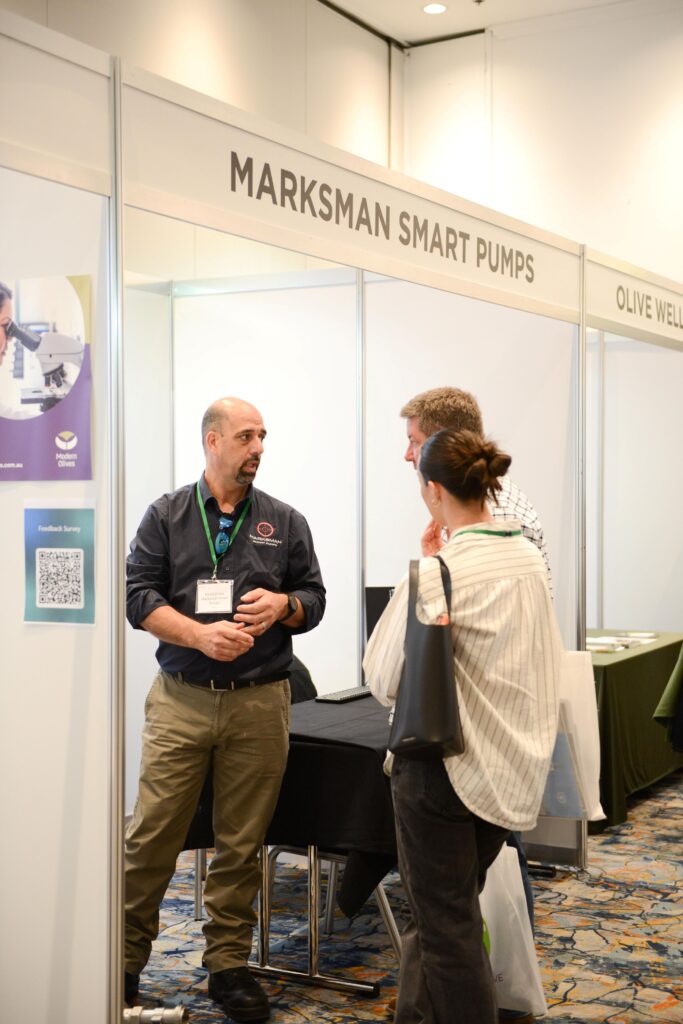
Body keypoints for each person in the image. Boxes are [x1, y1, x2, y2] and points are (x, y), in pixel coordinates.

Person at [125, 396, 326, 1023]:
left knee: (241, 843)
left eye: (262, 436)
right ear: (212, 441)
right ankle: (122, 964)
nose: (258, 448)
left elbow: (314, 599)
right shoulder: (166, 515)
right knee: (152, 837)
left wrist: (285, 607)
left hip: (260, 704)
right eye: (245, 437)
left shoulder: (285, 521)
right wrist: (198, 635)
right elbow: (138, 597)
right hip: (181, 701)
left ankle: (228, 967)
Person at [364, 428, 562, 1024]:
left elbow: (382, 676)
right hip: (508, 772)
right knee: (448, 914)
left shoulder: (438, 573)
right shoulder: (529, 560)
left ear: (433, 490)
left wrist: (427, 567)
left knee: (447, 929)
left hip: (441, 772)